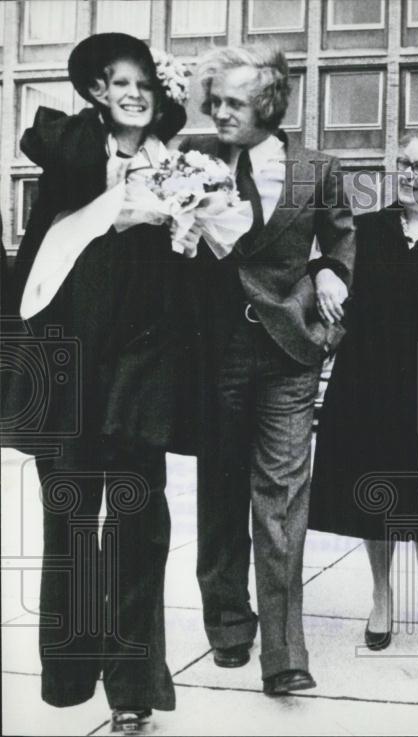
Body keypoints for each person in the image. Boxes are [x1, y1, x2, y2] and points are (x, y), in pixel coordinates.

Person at [0, 33, 190, 733]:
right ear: (97, 93)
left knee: (140, 523)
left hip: (143, 372)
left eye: (146, 84)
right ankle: (73, 673)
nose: (135, 95)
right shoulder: (76, 155)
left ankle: (134, 687)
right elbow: (46, 136)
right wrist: (119, 204)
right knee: (74, 523)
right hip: (70, 368)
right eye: (121, 83)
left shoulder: (180, 170)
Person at [184, 45, 356, 695]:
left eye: (233, 100)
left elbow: (340, 238)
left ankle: (285, 651)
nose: (218, 110)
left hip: (289, 352)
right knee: (221, 494)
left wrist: (332, 273)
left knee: (282, 502)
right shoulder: (190, 157)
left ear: (268, 103)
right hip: (213, 354)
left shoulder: (317, 168)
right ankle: (228, 623)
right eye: (215, 100)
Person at [308, 131, 418, 692]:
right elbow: (322, 267)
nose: (407, 175)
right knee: (374, 503)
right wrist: (324, 272)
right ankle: (382, 597)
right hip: (366, 387)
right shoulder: (367, 230)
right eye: (403, 164)